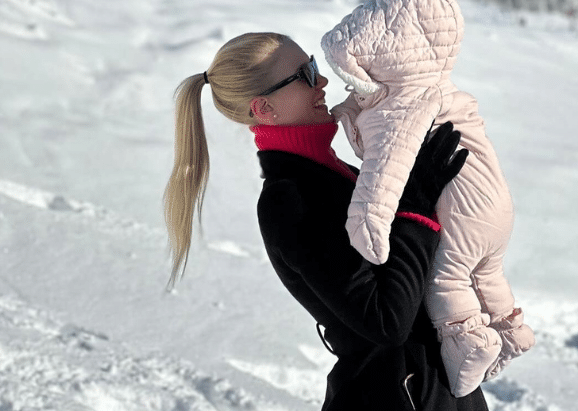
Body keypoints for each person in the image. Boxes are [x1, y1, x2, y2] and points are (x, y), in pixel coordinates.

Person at [163, 31, 489, 411]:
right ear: (265, 108)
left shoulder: (333, 175)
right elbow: (386, 322)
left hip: (425, 389)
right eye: (304, 74)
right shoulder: (290, 203)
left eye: (314, 66)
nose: (322, 82)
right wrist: (414, 210)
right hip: (394, 396)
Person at [320, 0, 535, 397]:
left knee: (448, 277)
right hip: (492, 201)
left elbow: (387, 168)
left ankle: (470, 342)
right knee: (486, 269)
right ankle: (511, 330)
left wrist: (368, 223)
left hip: (461, 208)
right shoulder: (436, 88)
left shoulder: (405, 104)